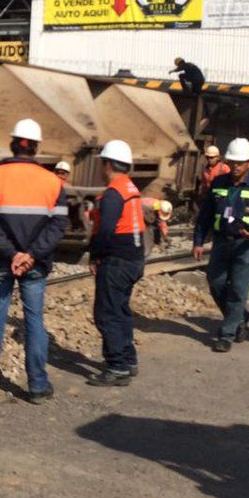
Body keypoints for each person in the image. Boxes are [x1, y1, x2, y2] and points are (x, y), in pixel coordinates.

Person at [0, 118, 67, 402]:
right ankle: (37, 385)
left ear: (13, 144)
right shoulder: (53, 182)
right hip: (35, 264)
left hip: (2, 261)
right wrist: (31, 255)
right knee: (34, 320)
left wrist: (12, 254)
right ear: (36, 148)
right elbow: (59, 226)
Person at [193, 138, 249, 353]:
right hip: (222, 242)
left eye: (240, 163)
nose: (235, 167)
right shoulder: (218, 183)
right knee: (216, 283)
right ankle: (240, 317)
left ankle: (227, 334)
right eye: (232, 162)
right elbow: (205, 216)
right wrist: (198, 241)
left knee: (238, 290)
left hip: (247, 246)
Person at [87, 140, 146, 386]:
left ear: (108, 164)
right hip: (133, 259)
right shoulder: (130, 187)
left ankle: (118, 366)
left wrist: (95, 255)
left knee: (106, 314)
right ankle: (128, 359)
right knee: (121, 310)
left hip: (117, 261)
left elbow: (105, 231)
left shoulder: (112, 194)